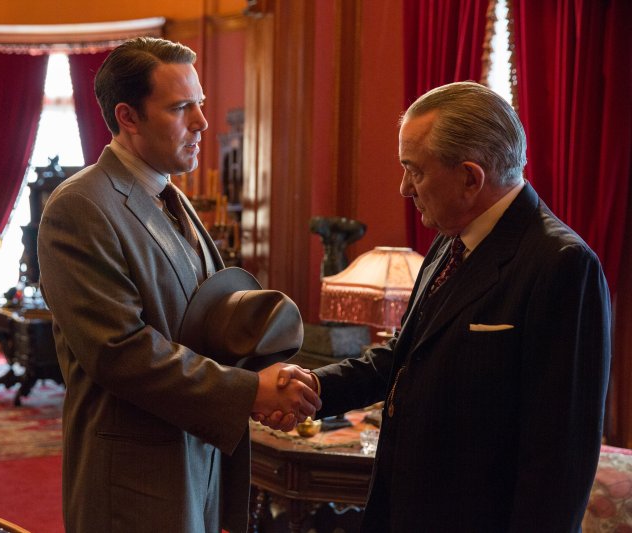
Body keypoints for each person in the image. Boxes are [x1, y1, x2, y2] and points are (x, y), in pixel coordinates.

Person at [263, 81, 612, 532]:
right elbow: (405, 355)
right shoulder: (451, 239)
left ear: (470, 177)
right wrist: (313, 387)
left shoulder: (562, 264)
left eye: (415, 171)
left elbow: (560, 457)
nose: (404, 188)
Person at [36, 37, 320, 533]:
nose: (202, 122)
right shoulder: (80, 205)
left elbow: (200, 326)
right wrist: (250, 392)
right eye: (181, 107)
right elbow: (119, 352)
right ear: (128, 116)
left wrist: (266, 376)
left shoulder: (171, 194)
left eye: (200, 104)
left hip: (194, 462)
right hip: (132, 480)